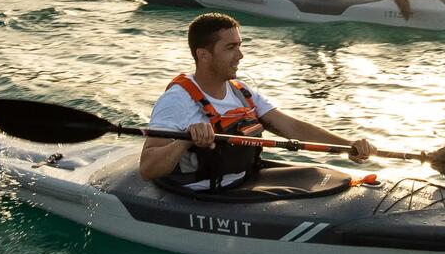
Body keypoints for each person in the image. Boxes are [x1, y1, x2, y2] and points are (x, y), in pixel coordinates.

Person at [140, 13, 378, 190]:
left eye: (240, 46)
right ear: (203, 55)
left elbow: (291, 127)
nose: (240, 55)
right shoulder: (176, 101)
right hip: (207, 195)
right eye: (231, 48)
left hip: (246, 179)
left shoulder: (240, 91)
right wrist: (183, 142)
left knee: (326, 177)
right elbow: (148, 167)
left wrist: (348, 146)